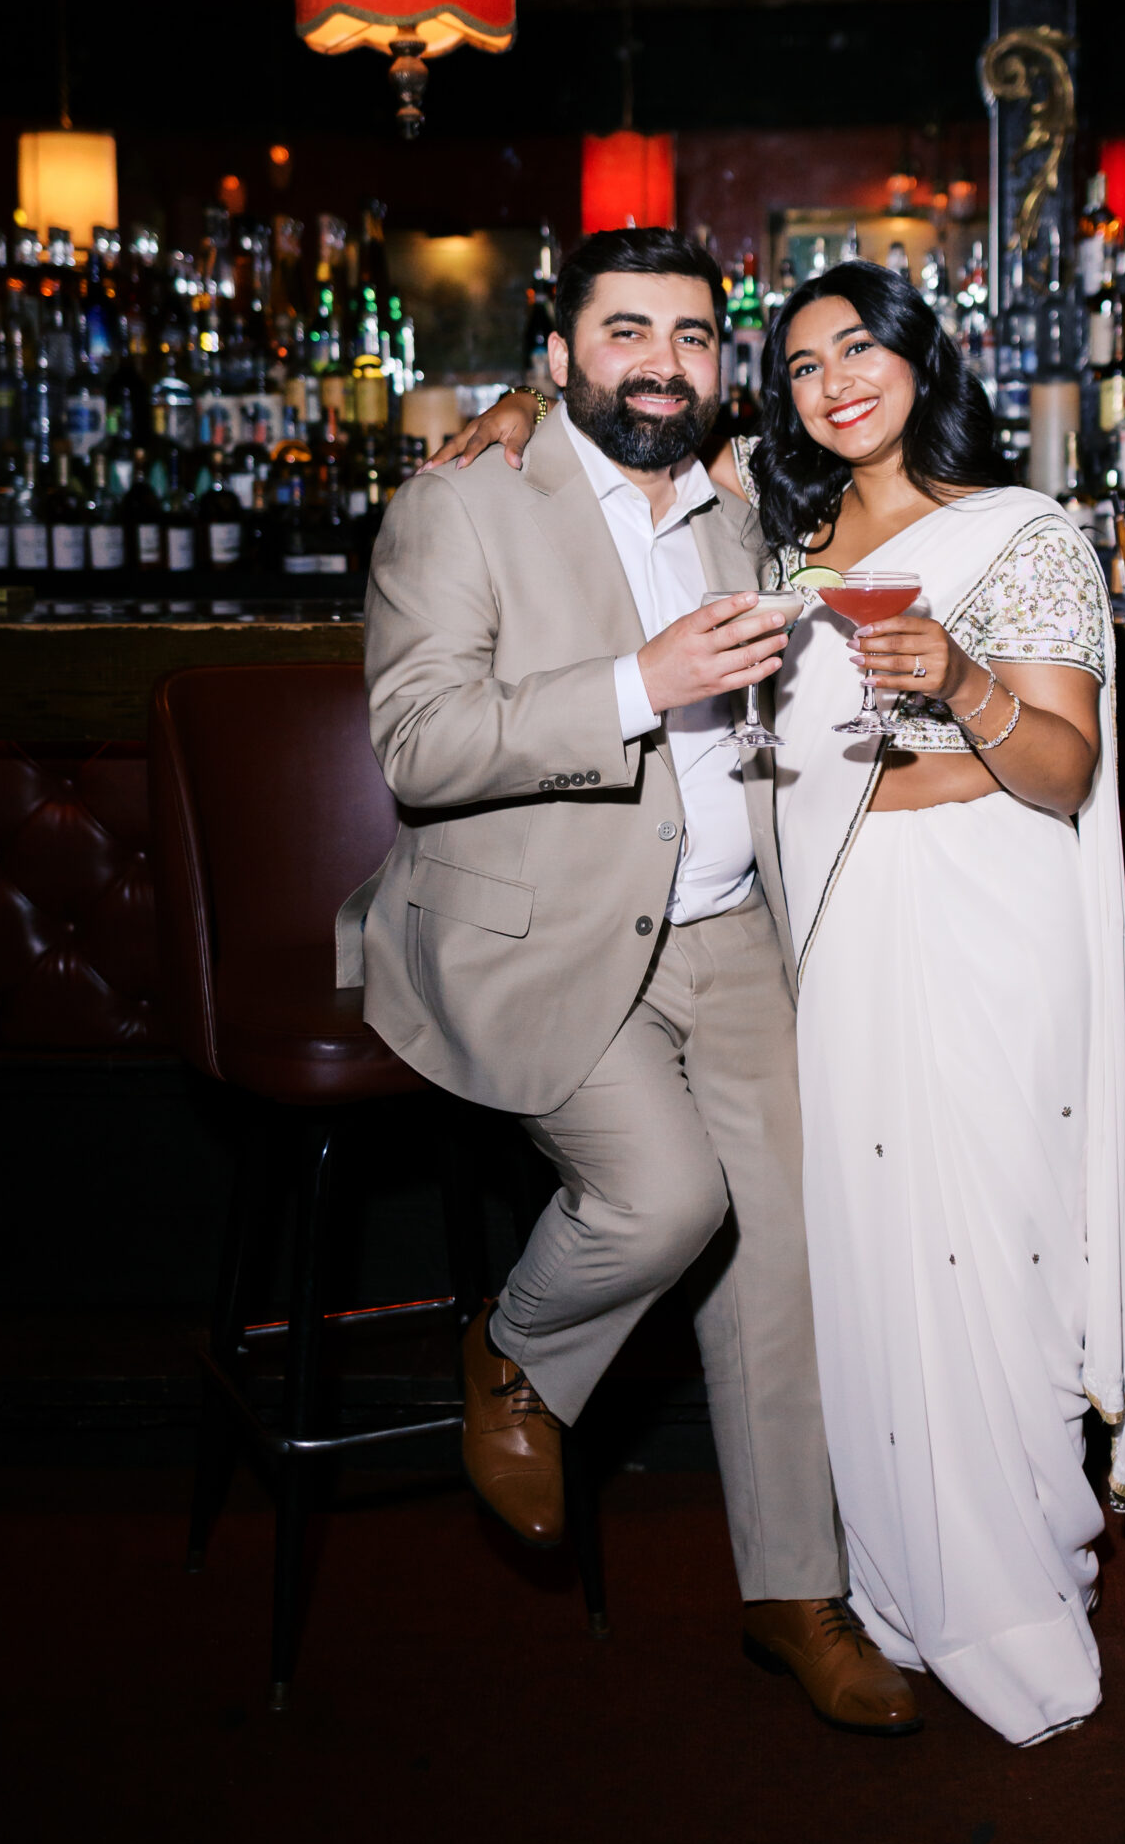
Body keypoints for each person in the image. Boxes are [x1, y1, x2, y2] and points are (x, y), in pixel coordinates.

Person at [430, 253, 1125, 1746]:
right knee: (766, 1224)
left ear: (914, 358)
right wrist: (516, 409)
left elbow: (1057, 768)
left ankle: (908, 1586)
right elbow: (430, 729)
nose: (832, 382)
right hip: (705, 941)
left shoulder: (907, 523)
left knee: (908, 1254)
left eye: (859, 350)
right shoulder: (687, 507)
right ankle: (564, 1375)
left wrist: (952, 676)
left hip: (893, 938)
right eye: (803, 360)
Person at [346, 229, 921, 1737]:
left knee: (789, 1247)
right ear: (555, 354)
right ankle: (514, 1350)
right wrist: (632, 688)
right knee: (666, 1202)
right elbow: (416, 746)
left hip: (728, 933)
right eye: (622, 332)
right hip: (537, 933)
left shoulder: (742, 504)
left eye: (688, 335)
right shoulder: (459, 502)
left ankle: (795, 1595)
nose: (657, 361)